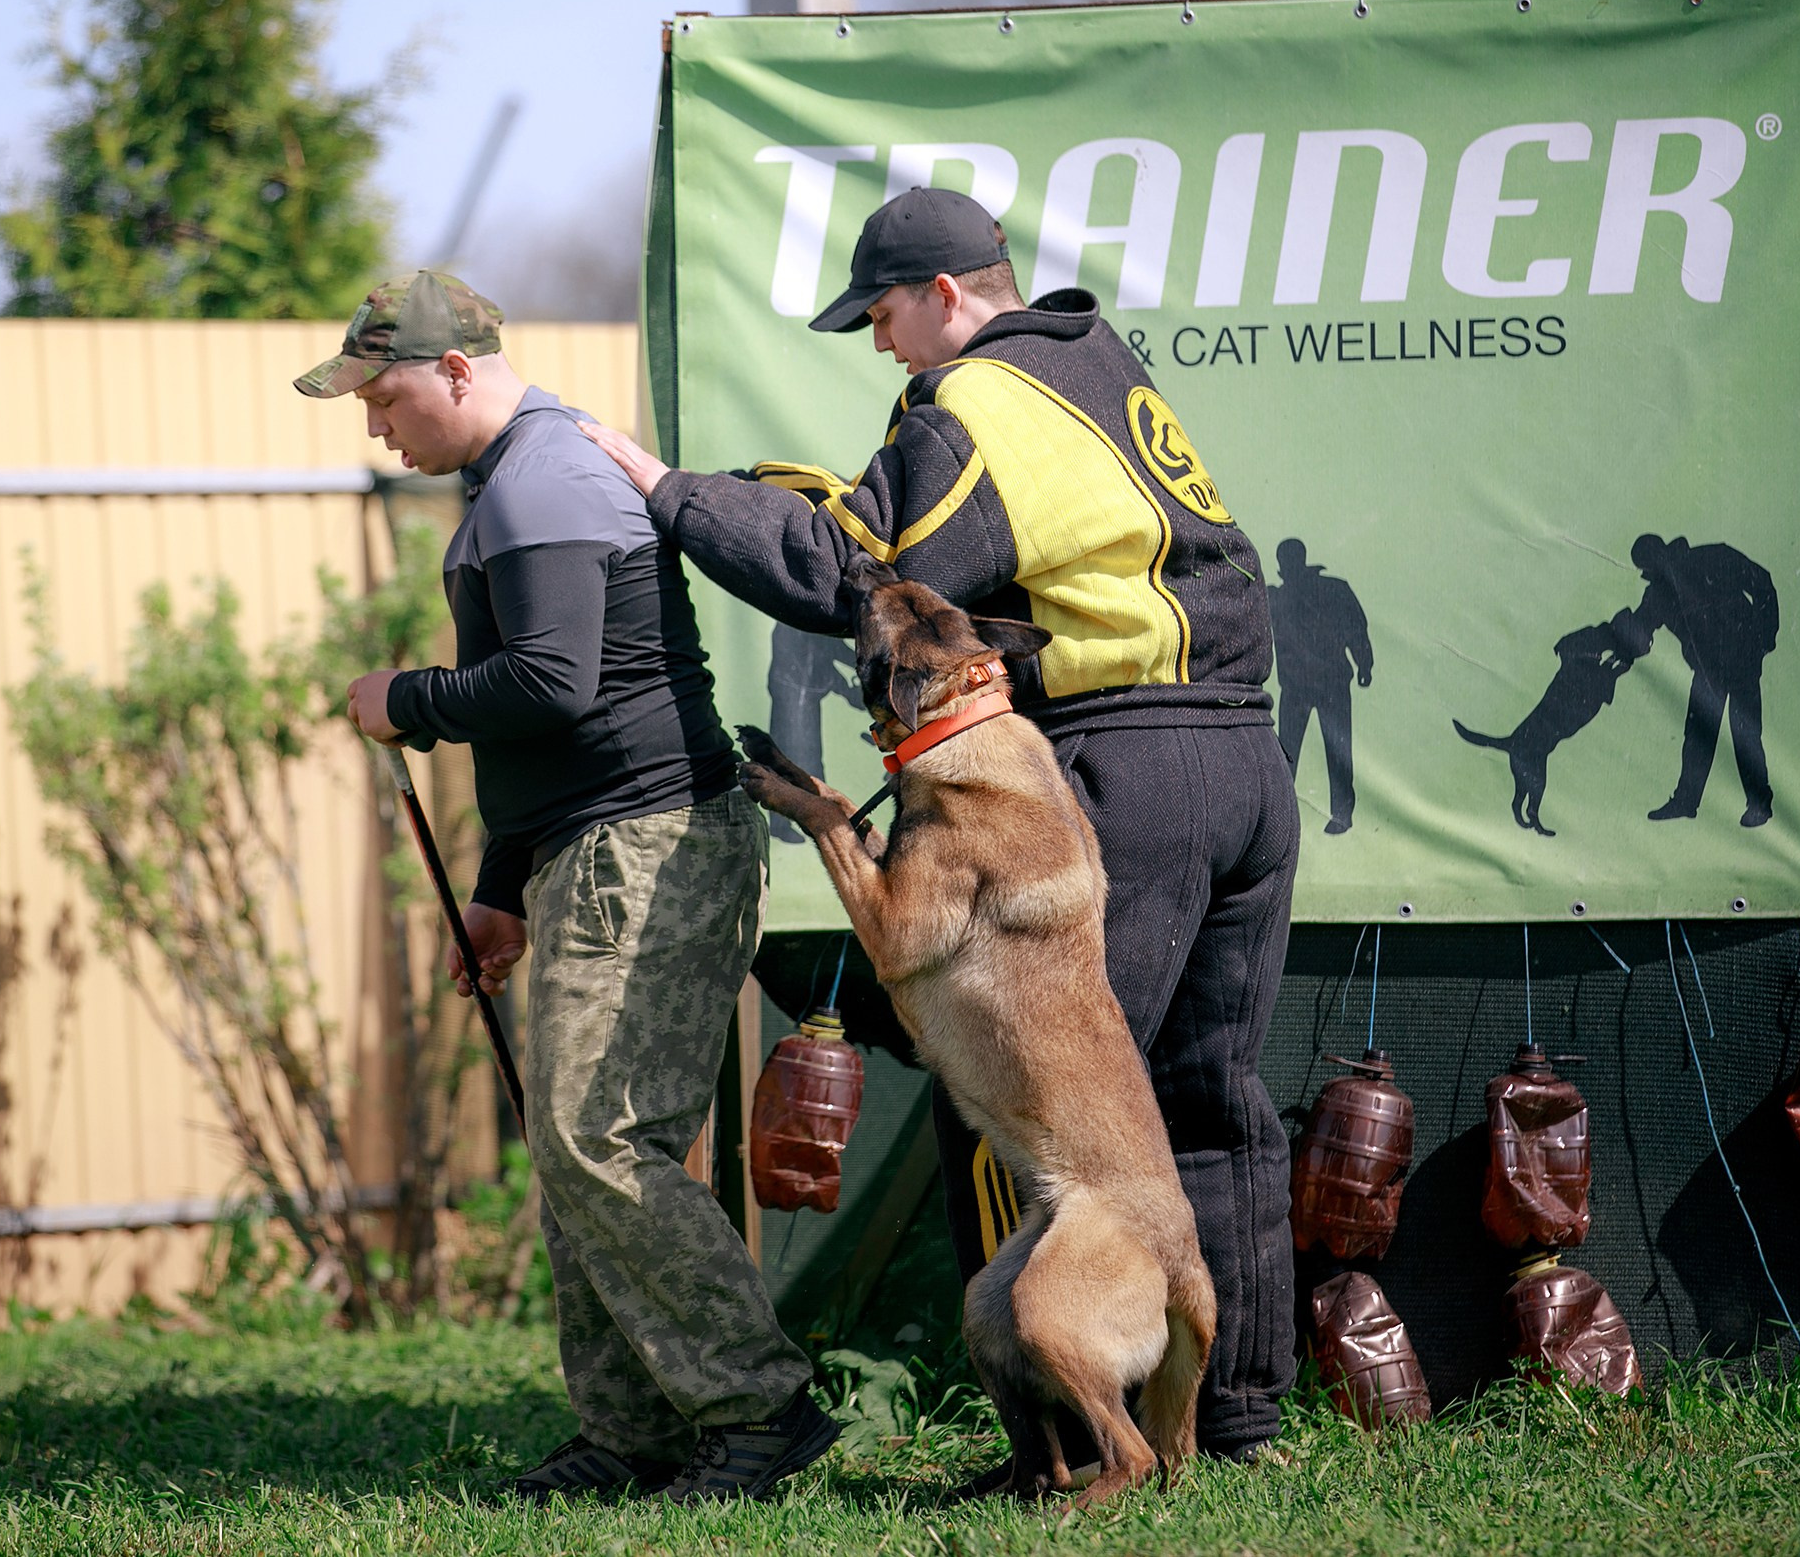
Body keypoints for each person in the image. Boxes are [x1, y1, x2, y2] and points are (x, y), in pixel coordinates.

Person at [582, 188, 1300, 1463]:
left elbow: (844, 569)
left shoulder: (965, 400)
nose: (878, 343)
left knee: (1029, 1117)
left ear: (947, 293)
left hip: (1121, 756)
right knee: (1207, 1104)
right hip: (1245, 750)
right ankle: (1238, 1421)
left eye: (883, 312)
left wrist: (671, 492)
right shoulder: (1091, 359)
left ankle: (1061, 1451)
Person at [298, 270, 837, 1503]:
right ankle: (635, 1431)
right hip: (589, 848)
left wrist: (407, 701)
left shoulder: (543, 477)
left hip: (647, 845)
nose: (374, 425)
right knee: (575, 1146)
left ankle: (759, 1410)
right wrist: (498, 886)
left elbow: (551, 685)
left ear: (452, 371)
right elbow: (546, 725)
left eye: (381, 397)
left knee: (602, 1139)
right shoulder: (512, 482)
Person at [1630, 534, 1775, 827]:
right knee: (1697, 735)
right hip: (1708, 670)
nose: (1657, 568)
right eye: (1649, 566)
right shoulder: (1658, 593)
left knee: (1745, 732)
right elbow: (1639, 628)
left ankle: (1759, 804)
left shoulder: (1713, 557)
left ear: (1665, 549)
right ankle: (1686, 801)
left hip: (1743, 659)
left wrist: (1765, 636)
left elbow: (1762, 581)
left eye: (1656, 558)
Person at [1270, 538, 1373, 834]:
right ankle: (1337, 815)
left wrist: (1365, 664)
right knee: (1305, 750)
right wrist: (1364, 665)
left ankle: (1289, 819)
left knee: (1303, 750)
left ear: (1282, 564)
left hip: (1311, 684)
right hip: (1319, 684)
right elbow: (1357, 630)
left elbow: (1356, 629)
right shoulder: (1331, 589)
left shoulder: (1279, 597)